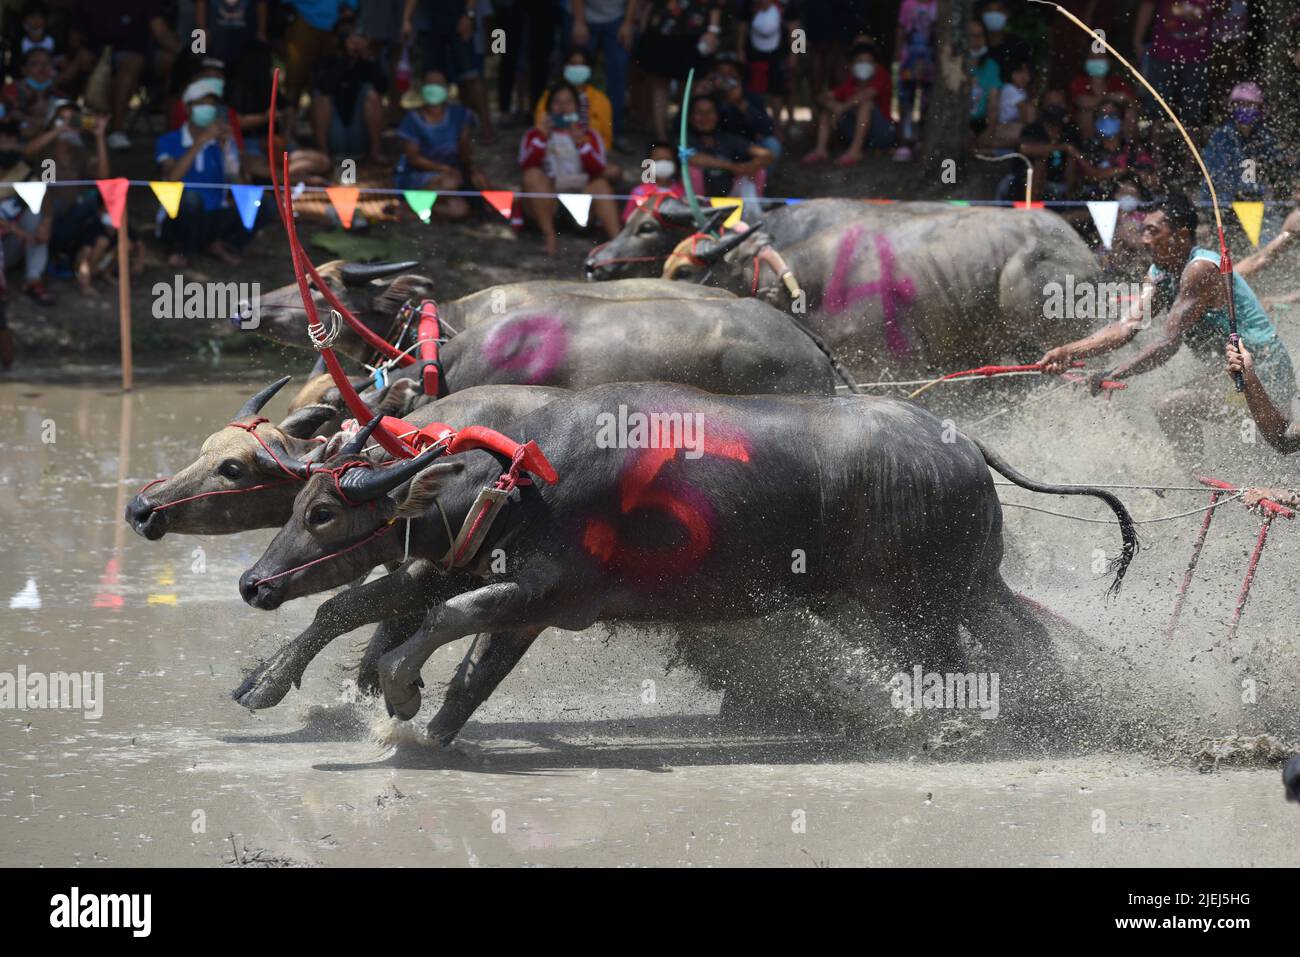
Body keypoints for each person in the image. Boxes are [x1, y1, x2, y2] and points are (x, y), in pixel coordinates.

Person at [1038, 193, 1296, 454]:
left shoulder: (1200, 269)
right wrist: (1068, 351)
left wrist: (1115, 373)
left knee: (1174, 406)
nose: (1144, 239)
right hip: (1229, 373)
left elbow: (1167, 343)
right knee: (1176, 407)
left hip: (1263, 373)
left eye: (1152, 231)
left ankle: (1197, 476)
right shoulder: (1159, 271)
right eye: (1144, 230)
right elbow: (1126, 326)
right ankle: (1201, 472)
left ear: (1181, 235)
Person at [155, 79, 251, 267]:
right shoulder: (168, 140)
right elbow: (172, 177)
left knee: (260, 204)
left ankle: (220, 244)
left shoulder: (222, 142)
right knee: (191, 200)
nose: (208, 108)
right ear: (188, 108)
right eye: (202, 103)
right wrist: (201, 141)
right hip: (178, 217)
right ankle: (182, 249)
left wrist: (229, 151)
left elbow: (240, 186)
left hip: (213, 215)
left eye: (212, 104)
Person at [518, 81, 622, 256]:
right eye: (557, 102)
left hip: (581, 201)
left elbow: (598, 170)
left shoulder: (590, 135)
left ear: (577, 107)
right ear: (549, 107)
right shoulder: (533, 134)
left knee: (601, 185)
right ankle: (549, 236)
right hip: (547, 201)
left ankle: (618, 243)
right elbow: (525, 165)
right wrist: (542, 137)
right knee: (532, 175)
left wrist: (581, 144)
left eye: (568, 102)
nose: (563, 108)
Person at [67, 0, 181, 151]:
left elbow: (161, 32)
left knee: (170, 62)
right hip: (97, 56)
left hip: (138, 54)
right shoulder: (86, 3)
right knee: (73, 67)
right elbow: (74, 38)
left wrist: (185, 55)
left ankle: (173, 127)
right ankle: (115, 129)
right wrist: (81, 51)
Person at [394, 68, 484, 220]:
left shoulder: (460, 114)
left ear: (447, 88)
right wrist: (444, 169)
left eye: (438, 83)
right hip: (419, 176)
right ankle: (408, 205)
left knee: (459, 210)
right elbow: (413, 159)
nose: (433, 88)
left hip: (450, 175)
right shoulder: (412, 120)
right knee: (450, 181)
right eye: (429, 83)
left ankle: (414, 210)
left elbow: (464, 150)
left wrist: (471, 171)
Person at [1202, 82, 1289, 237]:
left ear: (1260, 109)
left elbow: (1277, 171)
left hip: (1260, 204)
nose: (1245, 109)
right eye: (1240, 104)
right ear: (1232, 107)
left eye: (1250, 105)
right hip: (1227, 204)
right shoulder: (1221, 137)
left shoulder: (1265, 138)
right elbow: (1213, 176)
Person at [401, 0, 494, 142]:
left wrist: (468, 15)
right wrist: (406, 19)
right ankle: (438, 130)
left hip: (458, 19)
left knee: (470, 77)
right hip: (430, 23)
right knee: (434, 78)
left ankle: (486, 126)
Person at [634, 0, 724, 143]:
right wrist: (643, 24)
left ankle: (684, 133)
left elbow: (714, 4)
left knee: (688, 88)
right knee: (659, 85)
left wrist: (713, 31)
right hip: (660, 31)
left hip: (693, 34)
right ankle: (661, 137)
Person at [801, 41, 894, 166]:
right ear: (851, 66)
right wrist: (834, 106)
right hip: (859, 134)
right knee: (828, 110)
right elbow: (822, 97)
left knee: (865, 104)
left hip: (882, 134)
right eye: (860, 61)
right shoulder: (850, 83)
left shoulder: (882, 76)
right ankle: (820, 150)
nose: (864, 65)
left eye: (868, 61)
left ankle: (855, 152)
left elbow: (866, 95)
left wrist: (841, 108)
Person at [310, 18, 388, 163]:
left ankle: (375, 152)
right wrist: (345, 58)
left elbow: (383, 87)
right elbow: (324, 86)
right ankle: (323, 155)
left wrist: (367, 56)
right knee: (321, 98)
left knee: (371, 94)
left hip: (359, 135)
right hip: (335, 135)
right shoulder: (325, 61)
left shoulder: (366, 61)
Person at [1133, 0, 1214, 134]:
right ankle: (1155, 145)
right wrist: (1137, 40)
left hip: (1197, 56)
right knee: (1156, 109)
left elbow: (1222, 9)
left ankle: (1191, 146)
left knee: (1194, 112)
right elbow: (1147, 6)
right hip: (1163, 53)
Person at [569, 0, 638, 152]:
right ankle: (569, 131)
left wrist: (627, 23)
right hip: (585, 15)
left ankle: (615, 133)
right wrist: (579, 21)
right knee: (577, 75)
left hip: (617, 19)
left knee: (618, 79)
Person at [685, 93, 773, 197]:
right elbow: (690, 157)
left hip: (729, 197)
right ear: (689, 117)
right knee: (692, 170)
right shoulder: (683, 138)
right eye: (699, 112)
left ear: (718, 115)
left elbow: (767, 154)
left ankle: (750, 206)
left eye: (709, 112)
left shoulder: (727, 138)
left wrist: (752, 166)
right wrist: (732, 167)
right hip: (694, 199)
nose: (705, 117)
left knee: (759, 171)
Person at [281, 0, 356, 116]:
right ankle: (289, 120)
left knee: (328, 80)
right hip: (304, 17)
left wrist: (350, 6)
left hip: (336, 22)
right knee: (295, 76)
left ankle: (319, 120)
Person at [533, 47, 613, 154]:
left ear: (589, 69)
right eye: (573, 64)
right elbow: (539, 128)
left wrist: (588, 150)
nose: (577, 68)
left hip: (587, 151)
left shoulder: (601, 100)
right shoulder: (549, 96)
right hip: (554, 151)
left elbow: (606, 139)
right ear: (564, 67)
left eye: (581, 65)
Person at [1076, 97, 1153, 201]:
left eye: (1112, 114)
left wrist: (1131, 174)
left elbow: (1149, 177)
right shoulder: (1089, 149)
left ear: (1122, 121)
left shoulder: (1134, 148)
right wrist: (1124, 171)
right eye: (1102, 114)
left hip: (1129, 202)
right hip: (1093, 203)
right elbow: (1089, 175)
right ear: (1095, 121)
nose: (1107, 118)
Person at [703, 56, 779, 159]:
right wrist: (702, 92)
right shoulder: (707, 97)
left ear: (739, 77)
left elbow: (767, 128)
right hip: (717, 147)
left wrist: (741, 104)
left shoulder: (751, 97)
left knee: (772, 144)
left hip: (747, 145)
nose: (725, 79)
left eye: (730, 74)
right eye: (720, 74)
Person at [893, 0, 937, 162]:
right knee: (906, 101)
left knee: (928, 101)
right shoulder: (907, 4)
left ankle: (923, 141)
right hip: (908, 61)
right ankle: (906, 142)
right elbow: (901, 29)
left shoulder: (939, 5)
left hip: (931, 62)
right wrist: (897, 53)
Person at [1067, 50, 1135, 140]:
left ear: (1109, 61)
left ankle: (1128, 144)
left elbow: (1131, 102)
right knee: (1086, 113)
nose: (1097, 61)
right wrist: (1111, 98)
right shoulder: (1079, 82)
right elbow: (1083, 102)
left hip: (1114, 119)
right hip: (1089, 121)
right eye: (1093, 57)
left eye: (1100, 57)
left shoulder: (1117, 82)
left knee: (1130, 112)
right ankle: (1088, 143)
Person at [622, 142, 684, 222]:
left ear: (675, 164)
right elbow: (628, 219)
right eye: (658, 160)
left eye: (668, 160)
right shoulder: (639, 192)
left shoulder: (683, 192)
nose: (663, 164)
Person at [194, 0, 268, 66]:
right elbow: (201, 3)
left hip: (246, 35)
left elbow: (261, 4)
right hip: (216, 36)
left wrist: (261, 32)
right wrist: (202, 30)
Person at [978, 0, 1031, 79]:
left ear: (1007, 13)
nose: (994, 14)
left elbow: (1025, 76)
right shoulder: (974, 43)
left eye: (999, 10)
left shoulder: (1019, 45)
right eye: (988, 10)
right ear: (981, 13)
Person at [967, 19, 1001, 142]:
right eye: (972, 35)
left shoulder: (991, 66)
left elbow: (993, 103)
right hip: (957, 121)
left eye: (980, 35)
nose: (977, 40)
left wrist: (989, 132)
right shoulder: (956, 64)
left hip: (980, 122)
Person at [988, 58, 1032, 149]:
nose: (1024, 77)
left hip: (1011, 126)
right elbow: (1023, 110)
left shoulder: (1022, 91)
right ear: (1012, 74)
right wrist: (1025, 128)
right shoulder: (1009, 88)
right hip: (1003, 126)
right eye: (1020, 73)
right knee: (1024, 132)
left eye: (1027, 73)